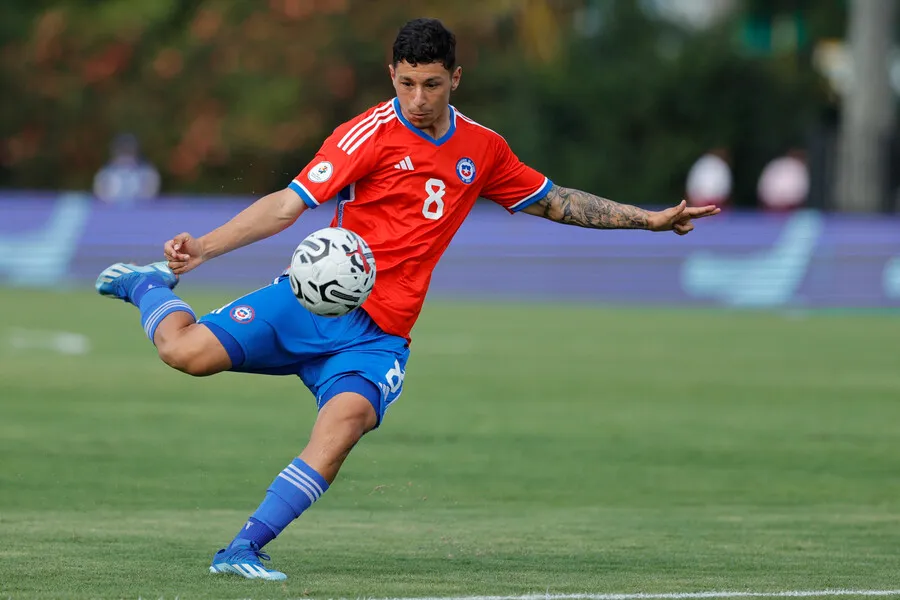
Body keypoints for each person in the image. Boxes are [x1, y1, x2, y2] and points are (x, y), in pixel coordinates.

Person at [95, 18, 720, 581]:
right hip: (313, 301)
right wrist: (202, 249)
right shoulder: (364, 134)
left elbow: (555, 201)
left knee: (343, 427)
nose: (418, 100)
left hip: (379, 335)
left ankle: (240, 551)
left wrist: (648, 220)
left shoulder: (484, 149)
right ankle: (145, 284)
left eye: (431, 84)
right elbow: (288, 205)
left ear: (456, 78)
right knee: (184, 354)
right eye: (406, 84)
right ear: (391, 76)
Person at [93, 133, 161, 205]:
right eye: (122, 151)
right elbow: (101, 197)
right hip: (112, 214)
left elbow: (149, 197)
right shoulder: (105, 174)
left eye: (129, 151)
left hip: (140, 214)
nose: (125, 157)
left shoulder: (148, 173)